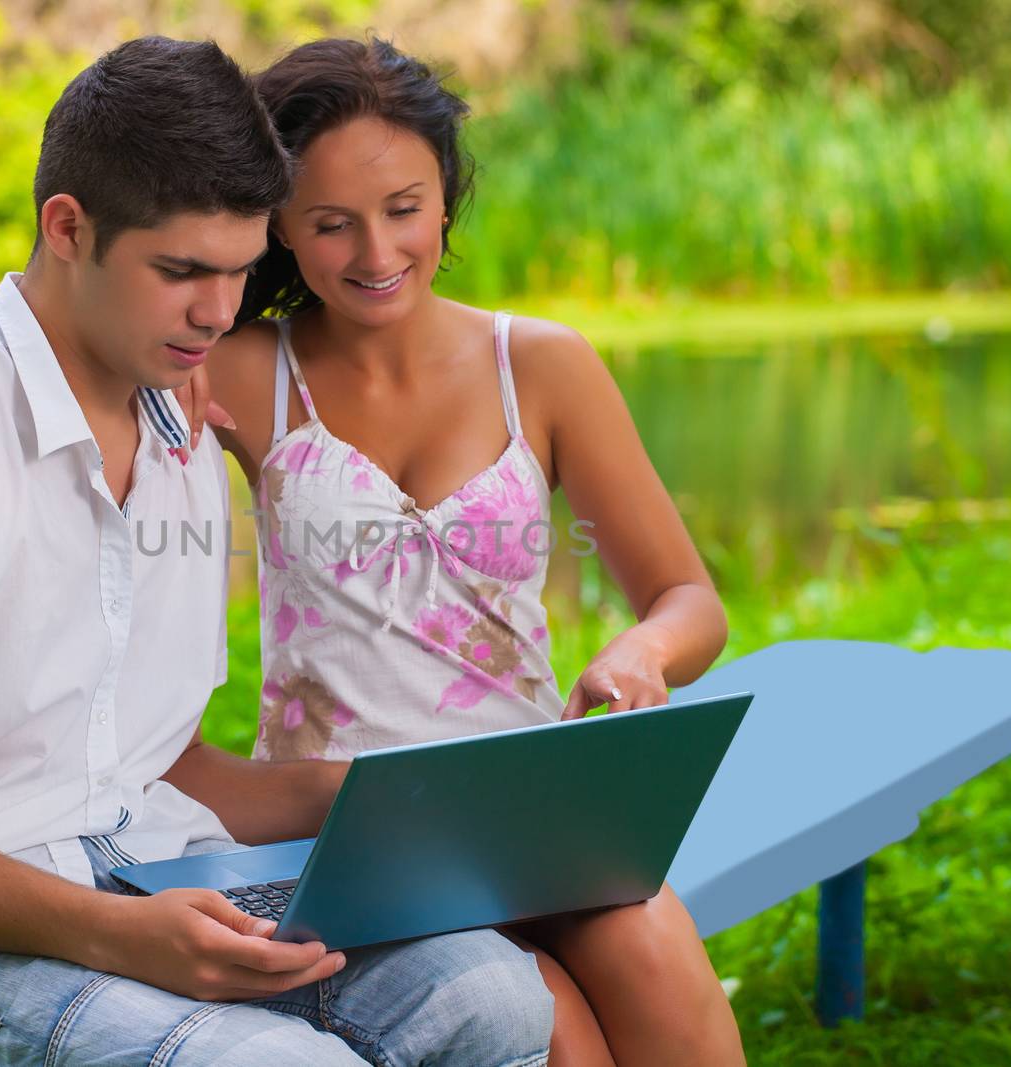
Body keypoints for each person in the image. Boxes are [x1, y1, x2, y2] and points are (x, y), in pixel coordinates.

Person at [0, 37, 553, 1067]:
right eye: (180, 272)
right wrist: (125, 938)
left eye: (242, 270)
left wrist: (392, 799)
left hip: (152, 871)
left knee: (492, 998)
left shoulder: (177, 437)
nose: (218, 312)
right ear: (68, 228)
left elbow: (151, 757)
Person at [199, 37, 746, 1067]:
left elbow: (685, 596)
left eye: (402, 208)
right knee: (561, 1037)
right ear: (278, 222)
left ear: (445, 198)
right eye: (330, 223)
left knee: (654, 947)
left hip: (531, 806)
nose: (374, 252)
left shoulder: (536, 364)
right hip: (348, 831)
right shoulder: (239, 370)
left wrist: (641, 655)